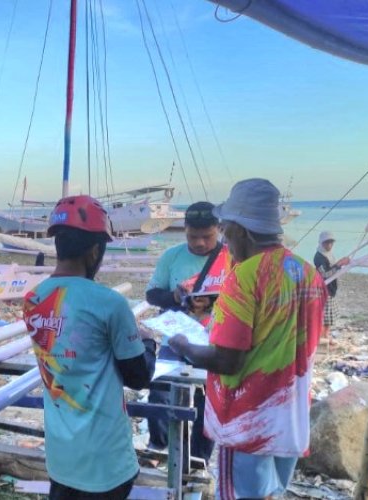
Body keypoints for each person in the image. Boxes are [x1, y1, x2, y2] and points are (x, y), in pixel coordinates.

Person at [169, 179, 326, 499]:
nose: (224, 238)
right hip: (291, 415)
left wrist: (183, 345)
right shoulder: (308, 272)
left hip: (247, 419)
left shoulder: (245, 275)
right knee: (275, 494)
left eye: (226, 229)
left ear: (241, 230)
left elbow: (228, 359)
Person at [23, 195, 157, 500]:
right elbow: (138, 376)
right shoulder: (110, 303)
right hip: (105, 463)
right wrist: (148, 341)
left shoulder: (32, 300)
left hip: (61, 456)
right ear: (96, 249)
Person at [144, 201, 228, 462]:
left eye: (207, 236)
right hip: (176, 339)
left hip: (216, 341)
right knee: (159, 392)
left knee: (210, 401)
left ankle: (198, 458)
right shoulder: (172, 257)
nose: (200, 243)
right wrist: (175, 296)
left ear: (219, 229)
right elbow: (152, 295)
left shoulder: (232, 258)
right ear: (185, 230)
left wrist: (213, 301)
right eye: (193, 236)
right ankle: (158, 446)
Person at [314, 231, 350, 337]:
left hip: (331, 288)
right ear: (321, 243)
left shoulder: (328, 254)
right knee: (325, 318)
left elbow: (331, 267)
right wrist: (339, 264)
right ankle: (322, 337)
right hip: (325, 289)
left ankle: (326, 336)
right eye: (326, 243)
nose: (329, 245)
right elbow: (325, 274)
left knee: (329, 318)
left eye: (331, 243)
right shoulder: (319, 257)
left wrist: (340, 263)